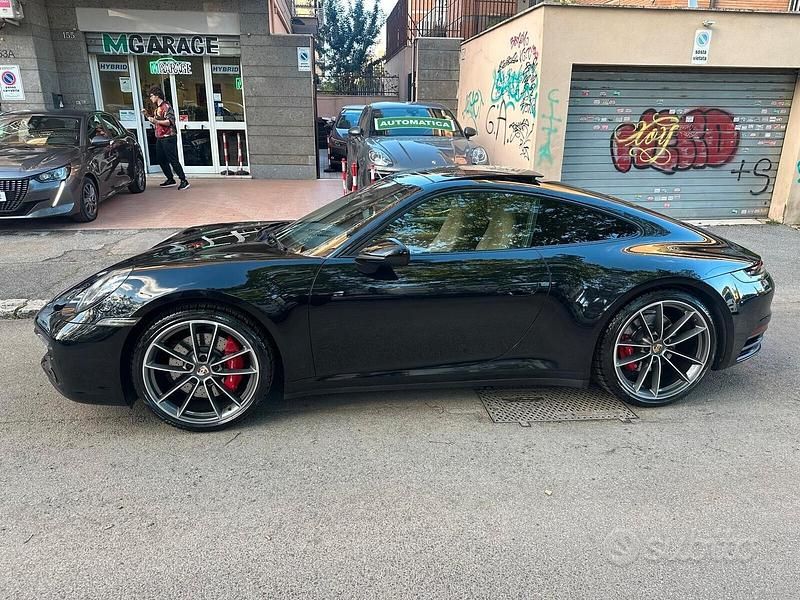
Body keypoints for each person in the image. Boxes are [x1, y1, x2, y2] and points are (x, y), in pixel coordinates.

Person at [142, 86, 189, 190]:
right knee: (161, 159)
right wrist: (147, 116)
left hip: (169, 137)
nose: (150, 98)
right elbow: (155, 121)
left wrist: (157, 121)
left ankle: (183, 180)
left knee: (173, 159)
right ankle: (170, 179)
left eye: (151, 96)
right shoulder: (157, 108)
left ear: (157, 96)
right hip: (160, 136)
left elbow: (170, 121)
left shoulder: (166, 106)